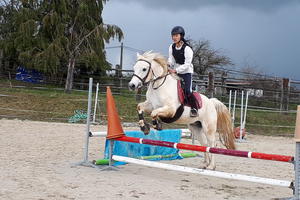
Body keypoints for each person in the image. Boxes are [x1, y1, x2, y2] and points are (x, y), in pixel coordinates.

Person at [167, 26, 198, 117]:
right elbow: (171, 60)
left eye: (176, 35)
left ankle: (194, 108)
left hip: (186, 72)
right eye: (173, 36)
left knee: (187, 90)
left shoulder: (187, 49)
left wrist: (175, 70)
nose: (174, 37)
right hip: (176, 70)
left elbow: (187, 64)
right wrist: (168, 65)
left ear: (181, 36)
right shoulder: (171, 47)